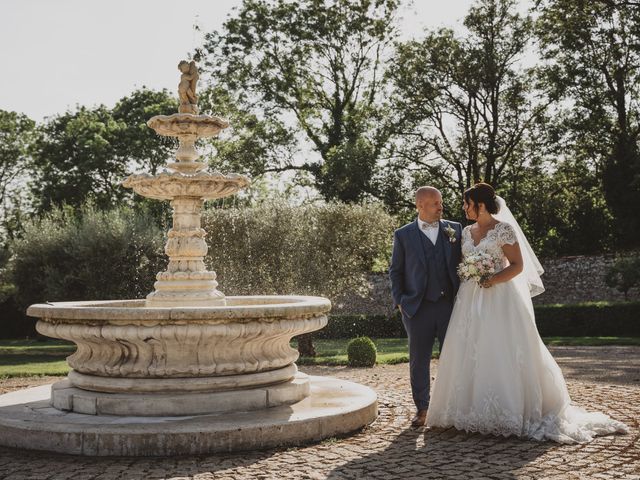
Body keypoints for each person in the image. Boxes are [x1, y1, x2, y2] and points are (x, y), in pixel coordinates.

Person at [426, 182, 629, 443]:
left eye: (467, 203)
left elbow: (518, 265)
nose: (463, 207)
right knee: (469, 350)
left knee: (502, 349)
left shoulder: (503, 230)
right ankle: (466, 411)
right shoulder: (465, 232)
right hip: (469, 299)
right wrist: (472, 273)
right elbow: (464, 263)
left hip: (499, 298)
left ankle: (508, 412)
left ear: (480, 205)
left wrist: (493, 279)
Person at [389, 186, 463, 426]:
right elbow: (396, 271)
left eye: (441, 202)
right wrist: (400, 301)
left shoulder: (455, 229)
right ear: (419, 205)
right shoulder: (403, 235)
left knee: (453, 357)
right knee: (418, 360)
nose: (441, 207)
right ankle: (423, 408)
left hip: (449, 306)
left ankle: (452, 406)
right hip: (416, 308)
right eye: (435, 203)